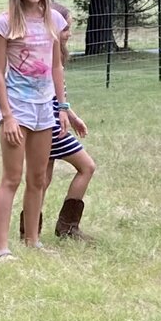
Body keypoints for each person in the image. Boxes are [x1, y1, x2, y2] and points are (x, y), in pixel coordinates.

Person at [0, 0, 68, 261]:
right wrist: (7, 116)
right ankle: (2, 248)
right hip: (18, 108)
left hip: (44, 109)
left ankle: (33, 240)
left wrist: (62, 108)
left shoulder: (54, 20)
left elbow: (56, 67)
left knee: (38, 179)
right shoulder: (5, 22)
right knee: (12, 178)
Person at [49, 96, 95, 238]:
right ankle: (67, 227)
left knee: (41, 180)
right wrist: (72, 117)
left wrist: (73, 117)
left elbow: (55, 96)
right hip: (53, 126)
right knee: (87, 167)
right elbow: (55, 94)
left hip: (42, 122)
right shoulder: (53, 72)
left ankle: (28, 231)